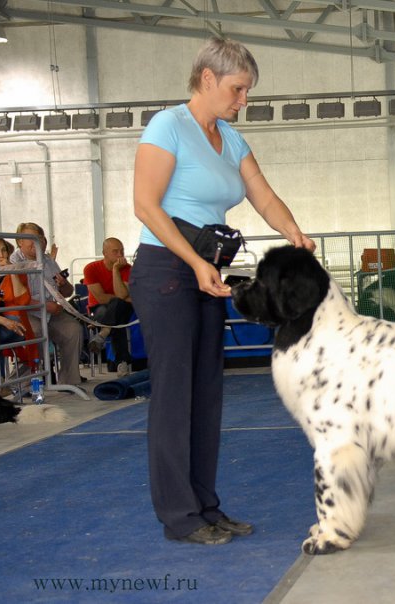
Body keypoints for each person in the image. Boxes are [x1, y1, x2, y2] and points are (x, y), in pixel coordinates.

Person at [130, 37, 315, 546]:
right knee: (173, 397)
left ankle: (206, 506)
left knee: (206, 394)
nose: (243, 100)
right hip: (167, 269)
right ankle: (180, 517)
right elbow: (146, 206)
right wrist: (193, 262)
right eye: (238, 89)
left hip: (206, 271)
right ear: (207, 79)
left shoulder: (230, 139)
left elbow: (263, 195)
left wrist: (294, 234)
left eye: (247, 91)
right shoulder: (167, 127)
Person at [10, 223, 85, 387]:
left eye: (38, 238)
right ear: (19, 242)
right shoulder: (13, 262)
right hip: (27, 312)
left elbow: (67, 292)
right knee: (35, 333)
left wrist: (64, 284)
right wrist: (44, 305)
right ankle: (19, 383)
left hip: (52, 312)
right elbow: (17, 297)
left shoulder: (48, 260)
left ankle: (69, 381)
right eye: (29, 239)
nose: (35, 242)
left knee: (74, 330)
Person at [82, 238, 134, 377]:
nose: (120, 254)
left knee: (118, 307)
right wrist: (122, 297)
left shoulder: (127, 268)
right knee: (118, 318)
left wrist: (116, 270)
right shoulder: (91, 268)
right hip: (99, 308)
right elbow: (101, 298)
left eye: (122, 250)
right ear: (104, 253)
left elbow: (122, 294)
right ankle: (122, 362)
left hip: (123, 308)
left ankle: (103, 333)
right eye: (115, 251)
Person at [0, 238, 39, 372]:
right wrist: (1, 320)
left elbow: (22, 301)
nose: (1, 255)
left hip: (15, 324)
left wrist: (12, 271)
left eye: (4, 250)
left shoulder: (18, 273)